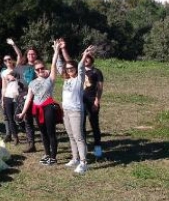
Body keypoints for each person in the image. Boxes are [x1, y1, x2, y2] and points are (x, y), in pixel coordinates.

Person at [17, 40, 62, 165]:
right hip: (37, 109)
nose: (41, 70)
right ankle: (47, 155)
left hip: (48, 108)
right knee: (43, 133)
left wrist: (56, 51)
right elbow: (29, 99)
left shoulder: (50, 79)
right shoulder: (32, 83)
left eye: (42, 68)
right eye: (38, 69)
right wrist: (23, 113)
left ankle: (53, 157)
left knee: (50, 132)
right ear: (35, 71)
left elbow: (53, 65)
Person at [60, 42, 95, 173]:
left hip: (76, 111)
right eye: (67, 69)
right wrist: (57, 50)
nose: (70, 70)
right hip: (66, 111)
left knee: (78, 136)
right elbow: (59, 64)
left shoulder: (79, 79)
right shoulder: (67, 79)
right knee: (70, 135)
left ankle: (83, 162)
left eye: (71, 68)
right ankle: (75, 158)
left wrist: (84, 54)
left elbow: (80, 67)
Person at [9, 38, 40, 152]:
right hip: (22, 97)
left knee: (35, 120)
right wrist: (10, 77)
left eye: (33, 54)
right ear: (26, 55)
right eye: (29, 54)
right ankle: (31, 142)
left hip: (37, 97)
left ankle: (35, 143)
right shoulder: (21, 67)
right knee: (21, 119)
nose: (31, 55)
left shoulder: (39, 66)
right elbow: (11, 75)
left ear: (36, 55)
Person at [83, 50, 104, 157]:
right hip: (80, 102)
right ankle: (83, 150)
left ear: (91, 59)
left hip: (92, 101)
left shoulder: (97, 72)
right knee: (81, 127)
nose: (85, 59)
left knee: (94, 125)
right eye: (84, 57)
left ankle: (98, 151)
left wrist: (97, 101)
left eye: (88, 57)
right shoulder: (79, 70)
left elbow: (100, 88)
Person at [1, 53, 20, 143]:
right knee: (10, 117)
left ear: (12, 60)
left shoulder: (18, 69)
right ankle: (15, 137)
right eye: (5, 60)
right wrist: (2, 99)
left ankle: (25, 132)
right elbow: (4, 87)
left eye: (9, 59)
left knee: (18, 117)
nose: (7, 61)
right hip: (7, 96)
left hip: (18, 96)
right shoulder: (3, 73)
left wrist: (13, 45)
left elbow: (19, 55)